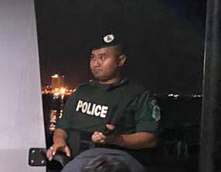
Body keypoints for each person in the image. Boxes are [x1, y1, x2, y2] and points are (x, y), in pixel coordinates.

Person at [47, 33, 161, 161]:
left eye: (102, 58)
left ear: (120, 60)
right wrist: (59, 141)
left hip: (113, 168)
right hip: (75, 165)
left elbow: (150, 139)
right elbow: (63, 126)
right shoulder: (81, 92)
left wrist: (116, 139)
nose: (96, 63)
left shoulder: (137, 95)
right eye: (93, 58)